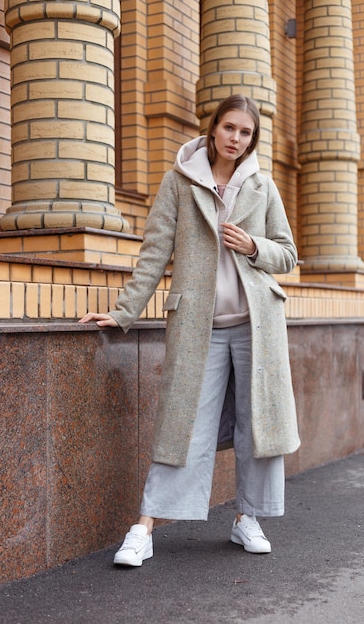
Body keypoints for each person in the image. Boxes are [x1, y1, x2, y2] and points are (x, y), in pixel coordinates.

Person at [79, 94, 300, 567]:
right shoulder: (180, 181)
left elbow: (288, 253)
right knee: (183, 424)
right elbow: (155, 252)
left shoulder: (262, 185)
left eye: (245, 132)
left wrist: (254, 245)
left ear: (251, 138)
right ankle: (144, 527)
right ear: (213, 128)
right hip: (199, 327)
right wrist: (123, 313)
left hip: (256, 326)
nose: (236, 139)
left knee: (256, 424)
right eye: (229, 128)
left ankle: (247, 518)